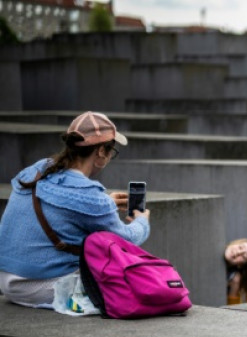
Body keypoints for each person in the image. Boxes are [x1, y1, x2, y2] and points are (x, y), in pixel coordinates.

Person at [0, 111, 150, 308]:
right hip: (39, 286)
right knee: (131, 284)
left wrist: (106, 202)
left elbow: (58, 202)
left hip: (5, 279)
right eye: (111, 151)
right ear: (101, 152)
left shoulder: (38, 169)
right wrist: (142, 222)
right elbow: (126, 240)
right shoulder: (89, 196)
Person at [225, 238, 247, 305]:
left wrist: (234, 289)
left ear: (240, 265)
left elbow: (232, 311)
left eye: (244, 256)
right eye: (240, 247)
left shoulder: (234, 278)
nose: (238, 252)